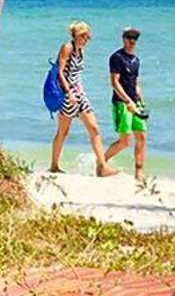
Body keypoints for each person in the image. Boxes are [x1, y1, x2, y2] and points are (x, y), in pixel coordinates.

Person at [49, 21, 118, 177]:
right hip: (68, 95)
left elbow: (76, 75)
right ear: (77, 35)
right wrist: (69, 93)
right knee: (63, 131)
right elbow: (60, 73)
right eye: (84, 36)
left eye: (88, 37)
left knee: (94, 129)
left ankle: (102, 167)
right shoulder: (67, 48)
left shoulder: (81, 51)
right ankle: (54, 165)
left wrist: (79, 92)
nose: (87, 39)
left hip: (80, 95)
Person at [103, 27, 148, 179]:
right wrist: (128, 101)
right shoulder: (116, 57)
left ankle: (139, 171)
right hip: (122, 103)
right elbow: (115, 83)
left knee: (141, 137)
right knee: (125, 141)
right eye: (129, 38)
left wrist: (141, 102)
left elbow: (136, 83)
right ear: (123, 39)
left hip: (135, 103)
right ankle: (102, 163)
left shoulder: (136, 60)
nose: (132, 41)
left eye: (134, 39)